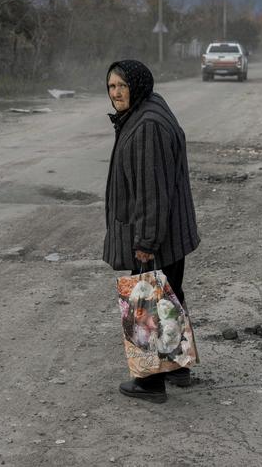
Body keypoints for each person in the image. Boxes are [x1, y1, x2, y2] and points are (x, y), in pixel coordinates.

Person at [103, 59, 200, 403]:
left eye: (122, 86)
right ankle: (176, 368)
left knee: (144, 300)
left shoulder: (146, 126)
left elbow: (151, 190)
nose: (116, 93)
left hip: (158, 233)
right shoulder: (149, 109)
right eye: (112, 86)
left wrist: (145, 241)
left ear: (137, 86)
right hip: (171, 231)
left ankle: (149, 382)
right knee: (166, 299)